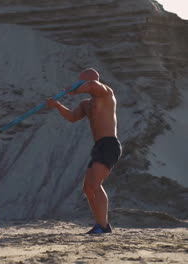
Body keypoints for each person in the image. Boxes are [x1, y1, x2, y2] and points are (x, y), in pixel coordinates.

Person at [46, 68, 122, 234]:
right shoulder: (86, 105)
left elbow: (93, 85)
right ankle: (101, 224)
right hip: (98, 146)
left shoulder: (106, 94)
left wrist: (73, 90)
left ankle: (103, 227)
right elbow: (72, 118)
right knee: (88, 188)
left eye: (82, 82)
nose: (81, 86)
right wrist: (57, 105)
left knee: (95, 184)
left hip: (109, 144)